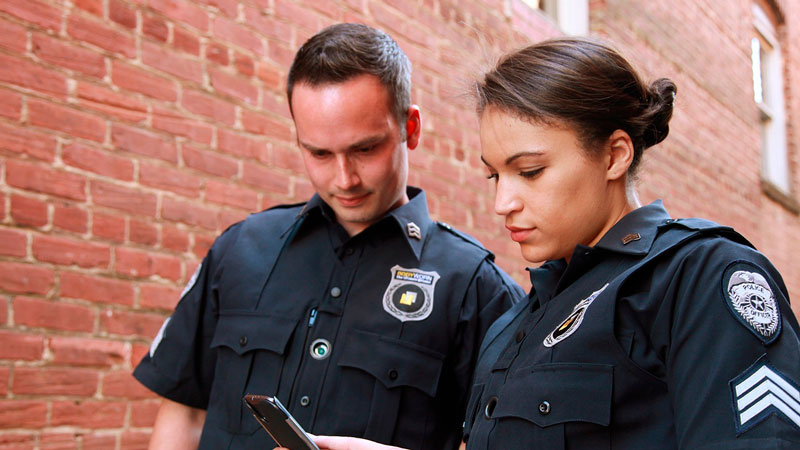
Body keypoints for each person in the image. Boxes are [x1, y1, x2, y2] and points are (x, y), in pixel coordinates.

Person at [303, 37, 800, 449]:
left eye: (531, 171)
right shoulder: (513, 323)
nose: (503, 203)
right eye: (494, 175)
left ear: (615, 155)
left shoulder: (698, 279)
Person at [133, 23, 523, 450]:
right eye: (319, 153)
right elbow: (185, 413)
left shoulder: (477, 289)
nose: (344, 179)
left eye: (365, 149)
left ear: (410, 128)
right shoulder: (240, 249)